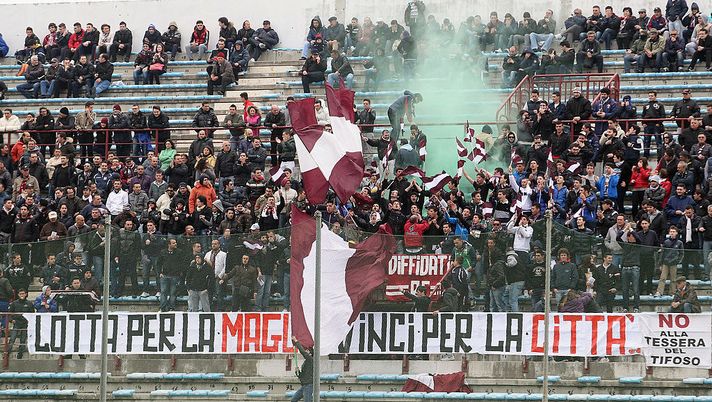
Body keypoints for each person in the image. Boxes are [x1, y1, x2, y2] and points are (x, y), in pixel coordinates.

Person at [7, 288, 34, 359]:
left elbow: (32, 314)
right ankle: (7, 352)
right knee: (12, 338)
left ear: (26, 294)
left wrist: (29, 322)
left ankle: (20, 354)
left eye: (23, 294)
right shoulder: (14, 303)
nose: (22, 295)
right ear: (18, 295)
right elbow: (9, 313)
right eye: (20, 294)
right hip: (17, 323)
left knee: (23, 339)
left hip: (25, 324)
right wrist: (11, 320)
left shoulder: (29, 303)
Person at [291, 336, 314, 402]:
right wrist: (298, 372)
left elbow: (303, 352)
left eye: (307, 350)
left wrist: (296, 342)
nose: (306, 351)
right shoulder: (307, 361)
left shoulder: (311, 360)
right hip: (304, 385)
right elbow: (303, 376)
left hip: (309, 385)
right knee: (293, 400)